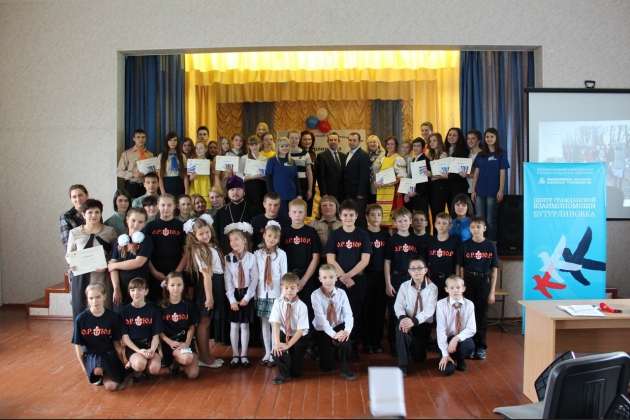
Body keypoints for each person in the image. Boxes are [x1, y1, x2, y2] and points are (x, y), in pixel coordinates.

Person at [325, 199, 372, 361]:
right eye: (345, 215)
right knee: (338, 314)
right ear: (340, 216)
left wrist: (350, 276)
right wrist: (344, 278)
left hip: (357, 280)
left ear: (357, 216)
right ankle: (339, 347)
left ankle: (352, 348)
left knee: (355, 314)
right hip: (338, 281)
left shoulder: (362, 234)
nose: (348, 218)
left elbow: (365, 260)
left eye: (351, 215)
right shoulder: (335, 234)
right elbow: (331, 259)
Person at [281, 199, 322, 360]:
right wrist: (289, 281)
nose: (297, 215)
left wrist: (304, 280)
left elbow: (316, 258)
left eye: (300, 212)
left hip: (307, 276)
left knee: (309, 311)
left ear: (305, 214)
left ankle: (309, 344)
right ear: (289, 214)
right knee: (289, 311)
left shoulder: (311, 232)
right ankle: (290, 344)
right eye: (294, 212)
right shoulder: (284, 233)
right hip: (288, 277)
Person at [184, 214, 225, 369]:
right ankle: (203, 357)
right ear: (194, 235)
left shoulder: (210, 246)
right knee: (203, 322)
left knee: (207, 323)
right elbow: (206, 275)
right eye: (201, 234)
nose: (205, 236)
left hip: (216, 283)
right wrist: (209, 297)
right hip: (208, 286)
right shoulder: (200, 249)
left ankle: (207, 355)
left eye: (207, 232)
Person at [66, 199, 117, 319]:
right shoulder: (74, 233)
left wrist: (106, 266)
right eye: (90, 212)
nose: (93, 215)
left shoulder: (110, 231)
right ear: (83, 214)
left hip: (103, 275)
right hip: (81, 275)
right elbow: (69, 255)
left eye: (97, 212)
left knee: (104, 306)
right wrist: (72, 263)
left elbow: (116, 254)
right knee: (81, 308)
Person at [457, 215, 499, 360]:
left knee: (481, 315)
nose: (475, 230)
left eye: (478, 227)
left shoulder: (490, 245)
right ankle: (469, 346)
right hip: (468, 281)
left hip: (483, 281)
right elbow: (461, 267)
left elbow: (494, 270)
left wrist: (492, 292)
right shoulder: (465, 245)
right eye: (472, 227)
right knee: (468, 314)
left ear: (484, 228)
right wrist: (461, 288)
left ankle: (481, 346)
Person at [72, 283, 126, 391]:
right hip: (91, 353)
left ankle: (106, 373)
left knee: (111, 387)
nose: (94, 301)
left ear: (104, 296)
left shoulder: (112, 317)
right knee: (97, 370)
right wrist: (84, 367)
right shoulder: (81, 319)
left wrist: (121, 361)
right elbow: (78, 345)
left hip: (107, 352)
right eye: (91, 298)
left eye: (98, 297)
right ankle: (99, 373)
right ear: (87, 298)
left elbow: (116, 341)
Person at [383, 206, 422, 356]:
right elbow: (387, 262)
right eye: (400, 221)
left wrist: (420, 282)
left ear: (411, 221)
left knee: (412, 311)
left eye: (405, 220)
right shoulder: (391, 240)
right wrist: (388, 283)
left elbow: (421, 263)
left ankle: (411, 342)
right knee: (395, 313)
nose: (403, 223)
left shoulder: (416, 240)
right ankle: (394, 343)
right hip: (396, 278)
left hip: (413, 279)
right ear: (395, 222)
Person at [394, 256, 438, 377]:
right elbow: (398, 305)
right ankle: (402, 365)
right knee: (402, 330)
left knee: (419, 359)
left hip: (422, 323)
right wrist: (403, 318)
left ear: (425, 270)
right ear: (409, 271)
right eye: (413, 268)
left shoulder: (432, 288)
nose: (416, 271)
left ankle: (415, 346)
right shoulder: (404, 286)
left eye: (420, 268)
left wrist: (414, 321)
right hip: (406, 319)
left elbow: (430, 310)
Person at [311, 264, 356, 381]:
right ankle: (331, 352)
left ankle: (345, 367)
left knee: (345, 341)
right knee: (327, 366)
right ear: (320, 279)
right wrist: (334, 335)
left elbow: (348, 314)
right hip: (322, 329)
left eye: (331, 277)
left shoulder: (342, 293)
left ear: (336, 278)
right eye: (325, 278)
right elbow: (321, 319)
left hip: (338, 325)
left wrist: (347, 331)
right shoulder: (315, 295)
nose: (328, 281)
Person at [223, 222, 258, 369]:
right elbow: (228, 280)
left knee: (244, 325)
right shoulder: (228, 258)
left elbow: (254, 279)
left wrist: (247, 298)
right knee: (234, 325)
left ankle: (244, 354)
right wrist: (232, 299)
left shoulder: (251, 257)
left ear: (244, 240)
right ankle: (234, 354)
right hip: (233, 294)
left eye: (236, 239)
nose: (233, 242)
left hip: (246, 293)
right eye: (231, 240)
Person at [254, 221, 287, 367]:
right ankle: (267, 352)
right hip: (262, 293)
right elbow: (255, 276)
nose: (271, 239)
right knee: (264, 323)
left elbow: (284, 275)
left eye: (275, 237)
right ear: (264, 235)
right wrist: (255, 296)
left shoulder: (281, 254)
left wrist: (284, 296)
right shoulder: (257, 254)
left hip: (276, 294)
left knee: (275, 324)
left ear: (278, 239)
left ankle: (274, 352)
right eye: (269, 235)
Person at [143, 194, 188, 303]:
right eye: (163, 205)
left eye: (169, 205)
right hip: (155, 268)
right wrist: (154, 272)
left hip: (176, 266)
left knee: (175, 301)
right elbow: (145, 254)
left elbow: (187, 253)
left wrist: (176, 273)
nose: (166, 208)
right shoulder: (150, 226)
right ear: (158, 206)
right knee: (156, 301)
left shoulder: (181, 226)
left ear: (175, 206)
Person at [108, 207, 153, 313]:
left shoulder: (146, 240)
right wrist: (116, 288)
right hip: (122, 287)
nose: (136, 224)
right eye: (133, 220)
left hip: (139, 286)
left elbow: (138, 262)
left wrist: (114, 265)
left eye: (140, 222)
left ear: (144, 223)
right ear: (127, 219)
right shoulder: (119, 241)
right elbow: (112, 269)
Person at [269, 273, 309, 385]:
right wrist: (277, 343)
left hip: (297, 337)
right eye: (286, 288)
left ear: (298, 288)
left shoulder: (302, 306)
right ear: (281, 288)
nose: (289, 291)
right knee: (276, 350)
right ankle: (284, 374)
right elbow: (276, 323)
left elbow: (301, 330)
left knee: (296, 373)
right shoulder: (277, 303)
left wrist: (288, 345)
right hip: (283, 334)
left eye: (292, 288)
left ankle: (292, 362)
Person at [159, 271, 200, 379]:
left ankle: (179, 360)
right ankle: (174, 361)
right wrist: (170, 342)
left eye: (179, 285)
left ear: (183, 286)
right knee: (186, 359)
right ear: (167, 287)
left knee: (193, 374)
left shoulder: (188, 304)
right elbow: (158, 331)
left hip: (184, 342)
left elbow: (192, 326)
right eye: (172, 285)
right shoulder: (161, 306)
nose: (176, 288)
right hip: (170, 343)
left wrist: (187, 342)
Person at [120, 277, 163, 382]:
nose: (136, 293)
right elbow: (125, 338)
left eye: (140, 289)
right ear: (129, 292)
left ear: (146, 291)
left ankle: (146, 369)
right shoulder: (124, 312)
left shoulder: (153, 310)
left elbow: (155, 336)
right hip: (134, 348)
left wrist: (152, 350)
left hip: (149, 346)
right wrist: (139, 351)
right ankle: (137, 368)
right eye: (133, 290)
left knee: (154, 368)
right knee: (140, 364)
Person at [471, 128, 510, 242]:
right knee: (480, 220)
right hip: (480, 191)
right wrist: (473, 190)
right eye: (487, 136)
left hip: (493, 191)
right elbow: (476, 173)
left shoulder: (501, 154)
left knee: (490, 220)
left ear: (496, 138)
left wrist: (501, 190)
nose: (489, 139)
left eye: (492, 136)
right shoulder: (480, 154)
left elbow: (502, 174)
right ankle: (480, 242)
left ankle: (491, 244)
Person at [436, 275, 476, 376]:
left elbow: (471, 329)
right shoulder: (441, 304)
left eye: (458, 287)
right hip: (447, 340)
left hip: (462, 339)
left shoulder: (469, 304)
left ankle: (460, 360)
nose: (455, 291)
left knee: (469, 345)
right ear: (446, 289)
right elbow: (441, 331)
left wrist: (456, 338)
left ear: (463, 288)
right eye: (452, 288)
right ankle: (449, 357)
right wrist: (445, 354)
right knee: (447, 371)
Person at [363, 204, 389, 355]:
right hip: (367, 275)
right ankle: (366, 342)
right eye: (372, 215)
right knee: (367, 309)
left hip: (381, 276)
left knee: (379, 310)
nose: (376, 218)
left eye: (379, 215)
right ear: (367, 217)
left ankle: (377, 341)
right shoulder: (363, 234)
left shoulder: (386, 235)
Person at [213, 176, 261, 253]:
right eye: (232, 189)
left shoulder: (255, 212)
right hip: (226, 255)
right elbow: (216, 237)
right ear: (228, 193)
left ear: (244, 191)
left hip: (248, 255)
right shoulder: (220, 213)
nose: (235, 192)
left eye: (238, 189)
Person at [375, 136, 407, 228]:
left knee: (393, 216)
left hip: (393, 190)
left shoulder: (398, 158)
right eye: (388, 144)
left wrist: (389, 184)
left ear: (396, 145)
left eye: (392, 144)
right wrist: (377, 182)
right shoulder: (383, 158)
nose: (389, 146)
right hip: (383, 190)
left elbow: (401, 176)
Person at [265, 137, 302, 216]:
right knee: (282, 217)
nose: (284, 148)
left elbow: (296, 179)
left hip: (292, 195)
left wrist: (299, 194)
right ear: (277, 147)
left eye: (286, 146)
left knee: (292, 217)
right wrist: (271, 194)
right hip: (278, 196)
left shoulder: (292, 161)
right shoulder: (272, 161)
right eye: (282, 146)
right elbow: (268, 179)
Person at [427, 212, 459, 301]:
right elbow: (427, 262)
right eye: (439, 223)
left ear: (450, 226)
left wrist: (456, 280)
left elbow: (457, 263)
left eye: (444, 223)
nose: (441, 225)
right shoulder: (430, 241)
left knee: (448, 304)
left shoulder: (454, 242)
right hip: (433, 278)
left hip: (449, 278)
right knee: (433, 303)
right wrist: (427, 277)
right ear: (435, 225)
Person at [116, 129, 155, 199]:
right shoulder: (127, 153)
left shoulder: (150, 155)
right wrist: (133, 174)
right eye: (138, 137)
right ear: (134, 139)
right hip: (132, 185)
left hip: (146, 186)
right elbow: (119, 172)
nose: (141, 139)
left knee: (146, 204)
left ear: (146, 138)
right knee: (132, 204)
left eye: (143, 137)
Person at [344, 132, 371, 229]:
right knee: (351, 217)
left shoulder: (363, 155)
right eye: (350, 140)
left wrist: (361, 192)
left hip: (359, 194)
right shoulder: (347, 154)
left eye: (354, 140)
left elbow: (365, 175)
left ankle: (363, 237)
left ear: (359, 141)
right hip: (348, 192)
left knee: (360, 218)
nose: (352, 142)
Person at [238, 135, 268, 215]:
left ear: (259, 144)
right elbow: (239, 175)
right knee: (249, 208)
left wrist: (265, 175)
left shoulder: (264, 159)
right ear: (248, 146)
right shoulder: (244, 158)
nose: (254, 147)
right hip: (249, 186)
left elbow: (266, 174)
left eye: (256, 144)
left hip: (261, 186)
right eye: (252, 145)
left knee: (260, 208)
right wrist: (252, 177)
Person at [289, 129, 314, 217]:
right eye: (291, 138)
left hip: (302, 183)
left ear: (299, 139)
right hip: (289, 183)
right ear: (288, 139)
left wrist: (310, 189)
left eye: (296, 138)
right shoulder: (285, 153)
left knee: (300, 209)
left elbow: (309, 172)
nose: (294, 140)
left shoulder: (305, 153)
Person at [427, 133, 449, 230]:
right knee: (433, 213)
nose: (432, 143)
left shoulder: (443, 155)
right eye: (430, 141)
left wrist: (431, 175)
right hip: (432, 186)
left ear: (439, 141)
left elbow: (445, 175)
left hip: (440, 186)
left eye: (434, 140)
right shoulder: (430, 155)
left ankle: (440, 233)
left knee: (438, 212)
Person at [316, 132, 346, 204]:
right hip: (329, 192)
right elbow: (321, 176)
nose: (333, 142)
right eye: (331, 140)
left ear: (338, 142)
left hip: (342, 192)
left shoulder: (343, 156)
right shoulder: (322, 156)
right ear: (327, 142)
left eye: (335, 140)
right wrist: (324, 193)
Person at [157, 132, 189, 198]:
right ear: (167, 142)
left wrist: (186, 191)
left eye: (175, 140)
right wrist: (163, 192)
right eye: (170, 140)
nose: (172, 142)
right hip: (167, 183)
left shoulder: (182, 156)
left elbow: (185, 175)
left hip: (179, 183)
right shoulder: (161, 156)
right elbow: (160, 176)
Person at [406, 138, 431, 217]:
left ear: (422, 147)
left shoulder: (425, 160)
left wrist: (418, 192)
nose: (415, 148)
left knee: (423, 215)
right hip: (414, 192)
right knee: (416, 215)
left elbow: (426, 179)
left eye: (418, 146)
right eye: (414, 146)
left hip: (422, 193)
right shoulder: (414, 159)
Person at [445, 128, 469, 211]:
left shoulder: (463, 151)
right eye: (449, 135)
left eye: (454, 135)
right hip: (447, 186)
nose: (451, 137)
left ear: (459, 137)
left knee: (457, 210)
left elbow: (460, 169)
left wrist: (448, 177)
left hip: (458, 185)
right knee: (450, 210)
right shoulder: (445, 150)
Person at [60, 184, 88, 250]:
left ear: (87, 195)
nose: (78, 199)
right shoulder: (66, 216)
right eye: (74, 197)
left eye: (80, 195)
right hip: (78, 253)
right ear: (71, 200)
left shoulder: (95, 212)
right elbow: (67, 243)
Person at [299, 129, 317, 216]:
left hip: (311, 185)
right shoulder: (298, 152)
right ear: (300, 140)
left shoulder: (312, 153)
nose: (307, 141)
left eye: (309, 139)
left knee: (308, 210)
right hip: (301, 185)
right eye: (305, 139)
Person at [188, 141, 211, 207]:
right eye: (197, 148)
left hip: (206, 188)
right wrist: (190, 178)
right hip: (194, 188)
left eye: (201, 148)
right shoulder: (191, 162)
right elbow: (187, 179)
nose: (198, 150)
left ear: (206, 149)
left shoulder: (210, 163)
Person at [366, 135, 386, 205]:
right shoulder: (365, 155)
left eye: (374, 142)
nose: (372, 144)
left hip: (380, 187)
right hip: (368, 188)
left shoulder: (384, 154)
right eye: (370, 142)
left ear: (378, 143)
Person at [466, 130, 483, 196]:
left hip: (479, 188)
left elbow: (483, 174)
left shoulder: (482, 154)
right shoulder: (468, 154)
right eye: (468, 138)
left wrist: (467, 175)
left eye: (473, 138)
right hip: (469, 188)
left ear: (478, 141)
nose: (470, 141)